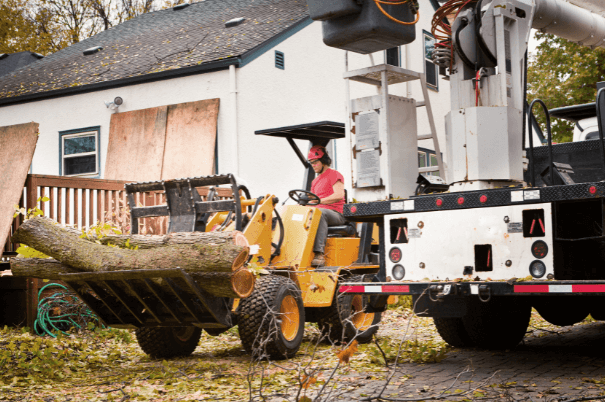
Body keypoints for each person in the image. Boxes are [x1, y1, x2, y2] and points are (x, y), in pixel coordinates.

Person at [307, 145, 346, 267]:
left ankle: (319, 254)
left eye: (315, 162)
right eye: (311, 163)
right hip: (319, 212)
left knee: (320, 213)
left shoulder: (334, 175)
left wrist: (320, 202)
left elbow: (339, 195)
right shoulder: (315, 181)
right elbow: (313, 200)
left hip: (336, 214)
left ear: (323, 161)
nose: (313, 165)